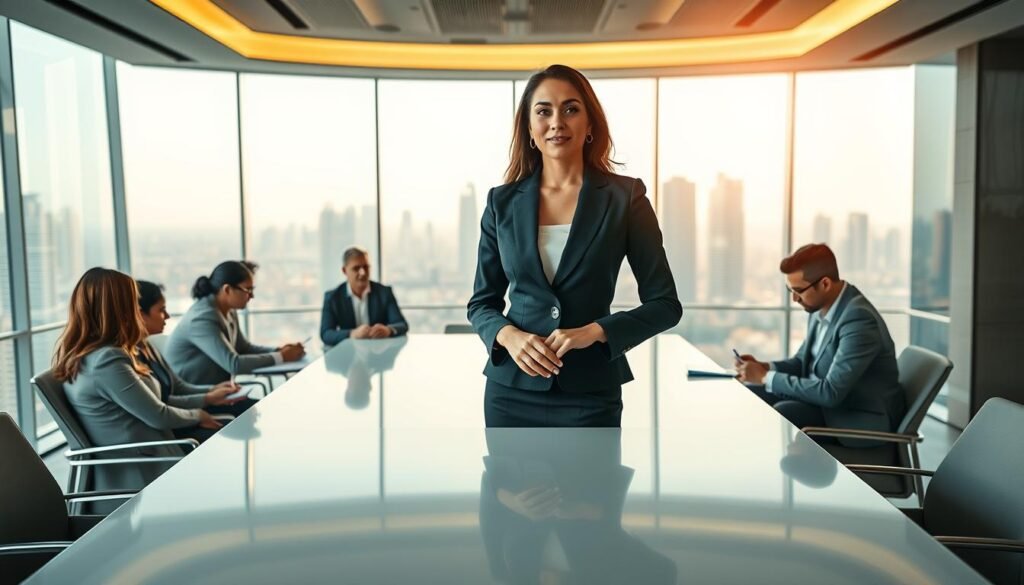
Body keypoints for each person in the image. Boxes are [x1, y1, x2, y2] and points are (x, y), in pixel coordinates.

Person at [468, 64, 682, 428]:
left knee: (591, 487)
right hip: (510, 393)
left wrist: (596, 331)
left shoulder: (625, 198)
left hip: (591, 392)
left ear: (590, 125)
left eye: (570, 109)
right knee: (509, 488)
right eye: (543, 111)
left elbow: (665, 305)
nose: (557, 121)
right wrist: (509, 336)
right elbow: (481, 304)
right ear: (530, 129)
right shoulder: (501, 203)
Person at [53, 268, 221, 498]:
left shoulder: (90, 355)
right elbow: (158, 416)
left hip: (149, 455)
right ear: (120, 309)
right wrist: (198, 415)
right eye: (133, 302)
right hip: (149, 464)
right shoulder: (107, 361)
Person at [735, 243, 905, 446]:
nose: (794, 298)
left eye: (798, 290)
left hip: (856, 417)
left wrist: (765, 377)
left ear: (824, 284)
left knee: (783, 412)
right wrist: (766, 368)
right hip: (825, 403)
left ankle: (772, 472)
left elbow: (831, 392)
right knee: (753, 393)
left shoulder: (858, 320)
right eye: (790, 290)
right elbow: (802, 362)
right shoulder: (819, 307)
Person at [136, 279, 255, 442]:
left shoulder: (147, 345)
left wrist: (213, 390)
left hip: (180, 411)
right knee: (236, 424)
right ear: (140, 315)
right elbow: (161, 405)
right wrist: (202, 407)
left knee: (247, 411)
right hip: (169, 427)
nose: (168, 316)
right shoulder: (127, 356)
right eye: (161, 310)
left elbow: (177, 386)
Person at [164, 260, 305, 384]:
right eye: (247, 290)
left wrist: (279, 351)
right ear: (227, 289)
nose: (252, 296)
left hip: (220, 392)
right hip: (197, 398)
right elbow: (234, 364)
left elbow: (243, 348)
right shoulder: (202, 319)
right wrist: (281, 357)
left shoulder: (228, 309)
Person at [320, 246, 409, 347]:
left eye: (366, 267)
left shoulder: (384, 292)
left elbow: (402, 324)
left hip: (380, 354)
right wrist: (352, 334)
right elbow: (326, 333)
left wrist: (388, 330)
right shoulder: (332, 298)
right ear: (344, 271)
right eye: (356, 268)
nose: (363, 273)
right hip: (347, 357)